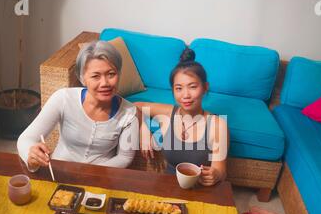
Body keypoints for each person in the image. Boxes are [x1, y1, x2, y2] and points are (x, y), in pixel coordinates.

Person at [17, 40, 139, 172]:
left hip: (103, 177)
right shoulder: (63, 98)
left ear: (119, 75)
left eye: (111, 74)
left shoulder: (129, 113)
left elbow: (125, 157)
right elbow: (26, 138)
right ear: (82, 78)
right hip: (60, 172)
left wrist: (92, 173)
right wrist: (31, 155)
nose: (105, 83)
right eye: (95, 76)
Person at [135, 48, 229, 186]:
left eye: (192, 87)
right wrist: (144, 129)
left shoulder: (218, 125)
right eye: (179, 88)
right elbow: (135, 106)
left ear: (205, 87)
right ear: (173, 90)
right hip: (167, 185)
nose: (185, 95)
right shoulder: (168, 113)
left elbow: (221, 171)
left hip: (201, 189)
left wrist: (216, 174)